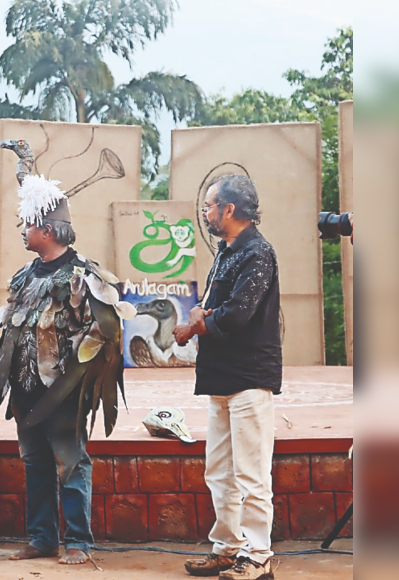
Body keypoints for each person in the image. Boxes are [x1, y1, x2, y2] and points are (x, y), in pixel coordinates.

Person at [0, 173, 134, 566]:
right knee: (35, 463)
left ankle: (78, 542)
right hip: (25, 390)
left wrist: (79, 379)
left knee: (71, 463)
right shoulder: (25, 275)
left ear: (47, 229)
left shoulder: (84, 275)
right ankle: (42, 538)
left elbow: (106, 335)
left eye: (28, 224)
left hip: (64, 391)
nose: (23, 231)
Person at [173, 174, 281, 580]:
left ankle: (259, 556)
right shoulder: (227, 250)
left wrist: (197, 323)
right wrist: (201, 316)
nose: (206, 212)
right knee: (219, 471)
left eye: (209, 205)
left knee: (251, 473)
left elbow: (238, 314)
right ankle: (228, 547)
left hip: (250, 377)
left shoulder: (258, 252)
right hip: (221, 377)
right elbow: (218, 309)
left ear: (229, 210)